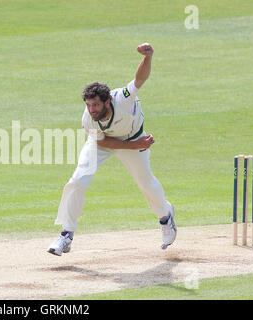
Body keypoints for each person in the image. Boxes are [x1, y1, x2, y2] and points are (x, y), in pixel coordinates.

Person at [48, 43, 176, 256]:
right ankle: (66, 235)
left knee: (146, 184)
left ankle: (166, 218)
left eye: (96, 105)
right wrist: (133, 146)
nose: (92, 109)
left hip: (134, 138)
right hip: (107, 142)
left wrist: (148, 57)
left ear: (107, 101)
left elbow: (140, 80)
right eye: (88, 105)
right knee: (77, 181)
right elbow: (102, 142)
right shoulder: (88, 119)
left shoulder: (123, 98)